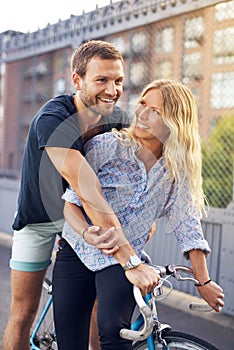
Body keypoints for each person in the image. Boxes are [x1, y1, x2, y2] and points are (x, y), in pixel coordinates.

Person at [52, 79, 225, 350]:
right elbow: (71, 203)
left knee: (114, 332)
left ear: (175, 121)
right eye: (142, 104)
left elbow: (187, 225)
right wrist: (87, 233)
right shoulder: (107, 145)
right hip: (78, 250)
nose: (142, 114)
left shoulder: (176, 173)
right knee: (70, 342)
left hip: (123, 260)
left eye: (155, 111)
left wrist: (204, 281)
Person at [2, 40, 133, 350]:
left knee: (94, 310)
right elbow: (86, 186)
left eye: (118, 81)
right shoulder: (53, 118)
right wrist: (129, 258)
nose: (112, 90)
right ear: (77, 80)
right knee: (23, 314)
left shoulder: (117, 121)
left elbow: (144, 170)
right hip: (37, 220)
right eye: (102, 80)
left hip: (79, 219)